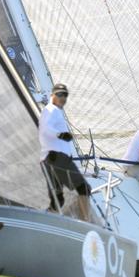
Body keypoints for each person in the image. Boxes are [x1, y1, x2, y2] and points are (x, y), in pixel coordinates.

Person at [38, 83, 93, 222]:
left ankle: (46, 221)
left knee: (58, 199)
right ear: (52, 95)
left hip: (50, 158)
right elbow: (45, 129)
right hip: (57, 157)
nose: (63, 98)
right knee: (83, 188)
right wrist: (60, 135)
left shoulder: (52, 110)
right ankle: (86, 222)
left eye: (65, 95)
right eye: (59, 94)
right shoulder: (51, 109)